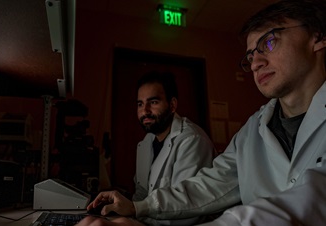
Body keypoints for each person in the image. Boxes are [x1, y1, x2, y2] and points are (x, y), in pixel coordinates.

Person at [78, 0, 326, 225]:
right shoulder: (253, 131)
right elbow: (209, 186)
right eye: (250, 56)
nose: (255, 63)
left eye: (269, 42)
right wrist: (138, 207)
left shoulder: (193, 138)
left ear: (317, 36)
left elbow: (310, 200)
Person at [131, 71, 214, 225]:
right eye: (140, 104)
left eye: (153, 102)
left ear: (172, 105)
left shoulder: (192, 140)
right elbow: (141, 193)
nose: (145, 111)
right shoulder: (146, 143)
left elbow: (186, 209)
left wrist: (135, 221)